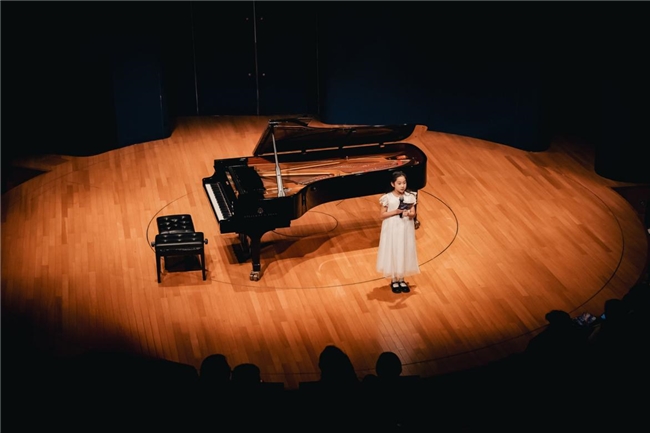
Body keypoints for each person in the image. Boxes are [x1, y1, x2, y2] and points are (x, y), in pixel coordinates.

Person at [376, 170, 420, 293]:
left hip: (405, 228)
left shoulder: (410, 196)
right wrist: (396, 211)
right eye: (399, 183)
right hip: (392, 229)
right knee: (394, 250)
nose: (402, 186)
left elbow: (413, 213)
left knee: (403, 250)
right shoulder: (388, 198)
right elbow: (382, 215)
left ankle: (401, 278)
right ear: (393, 184)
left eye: (404, 183)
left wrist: (409, 214)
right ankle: (394, 279)